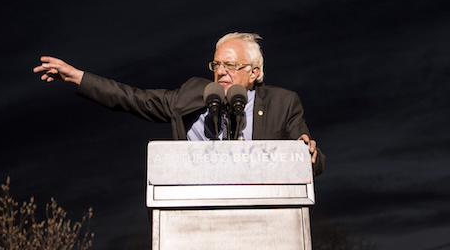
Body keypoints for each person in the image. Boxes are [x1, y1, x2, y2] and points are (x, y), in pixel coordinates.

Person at [33, 32, 325, 176]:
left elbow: (309, 151)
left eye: (231, 65)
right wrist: (78, 77)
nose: (221, 71)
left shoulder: (284, 102)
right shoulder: (191, 95)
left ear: (254, 72)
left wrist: (309, 155)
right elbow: (133, 98)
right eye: (217, 64)